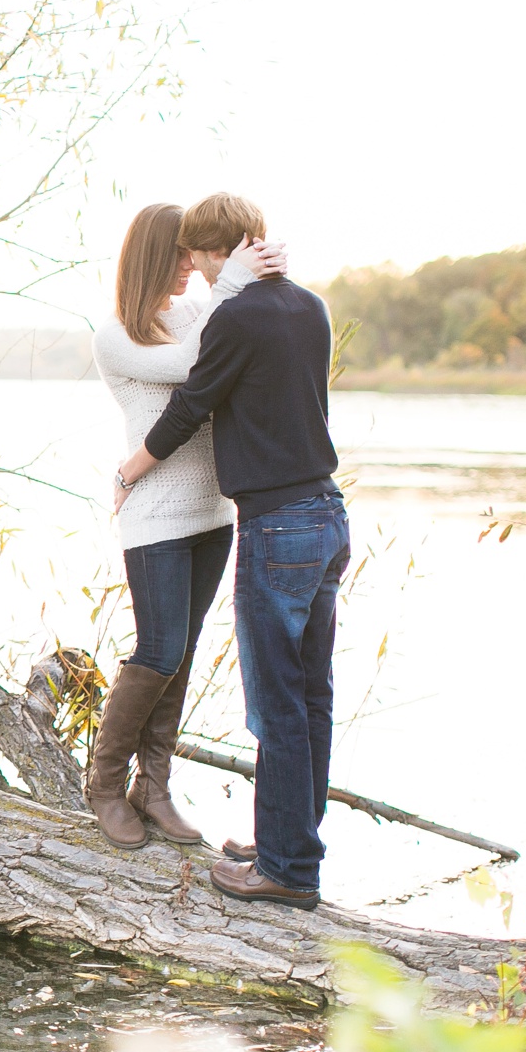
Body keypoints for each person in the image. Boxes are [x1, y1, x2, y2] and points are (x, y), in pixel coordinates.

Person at [112, 192, 348, 911]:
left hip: (276, 525)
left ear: (220, 254)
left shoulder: (235, 316)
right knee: (312, 696)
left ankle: (285, 870)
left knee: (275, 706)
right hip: (328, 514)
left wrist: (129, 470)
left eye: (200, 259)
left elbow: (189, 406)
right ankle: (292, 843)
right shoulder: (310, 306)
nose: (198, 273)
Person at [86, 204, 284, 852]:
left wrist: (260, 272)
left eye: (194, 253)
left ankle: (156, 787)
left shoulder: (200, 311)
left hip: (213, 513)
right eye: (179, 254)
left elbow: (237, 340)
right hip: (156, 518)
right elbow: (198, 368)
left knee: (185, 653)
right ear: (151, 256)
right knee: (158, 650)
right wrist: (230, 284)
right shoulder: (116, 335)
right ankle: (106, 785)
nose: (191, 265)